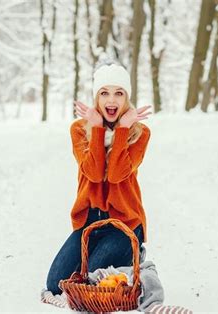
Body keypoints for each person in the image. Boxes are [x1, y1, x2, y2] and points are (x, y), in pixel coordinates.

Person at [46, 62, 152, 295]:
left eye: (119, 93)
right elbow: (93, 173)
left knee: (94, 279)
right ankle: (109, 255)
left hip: (124, 223)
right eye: (104, 93)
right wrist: (97, 130)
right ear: (96, 97)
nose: (111, 100)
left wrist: (123, 130)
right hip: (89, 223)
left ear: (127, 98)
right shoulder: (79, 129)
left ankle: (132, 251)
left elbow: (115, 175)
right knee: (55, 285)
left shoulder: (139, 133)